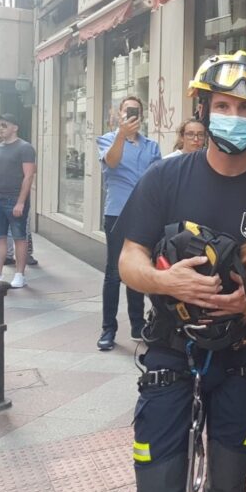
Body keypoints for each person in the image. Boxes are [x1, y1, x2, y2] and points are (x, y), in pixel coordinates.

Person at [116, 51, 246, 492]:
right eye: (224, 104)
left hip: (243, 359)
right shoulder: (165, 178)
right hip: (171, 354)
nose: (234, 116)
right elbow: (128, 259)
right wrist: (169, 285)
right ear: (204, 110)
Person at [95, 96, 161, 350]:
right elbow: (111, 162)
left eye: (136, 111)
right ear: (118, 114)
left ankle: (137, 325)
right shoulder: (107, 139)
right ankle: (108, 330)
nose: (132, 114)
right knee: (113, 273)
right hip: (116, 213)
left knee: (137, 270)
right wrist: (121, 135)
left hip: (144, 214)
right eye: (127, 110)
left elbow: (158, 178)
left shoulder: (152, 146)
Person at [0, 113, 36, 288]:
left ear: (15, 127)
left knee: (19, 237)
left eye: (4, 125)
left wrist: (21, 202)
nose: (0, 128)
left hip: (15, 199)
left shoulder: (25, 148)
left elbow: (29, 176)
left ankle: (20, 274)